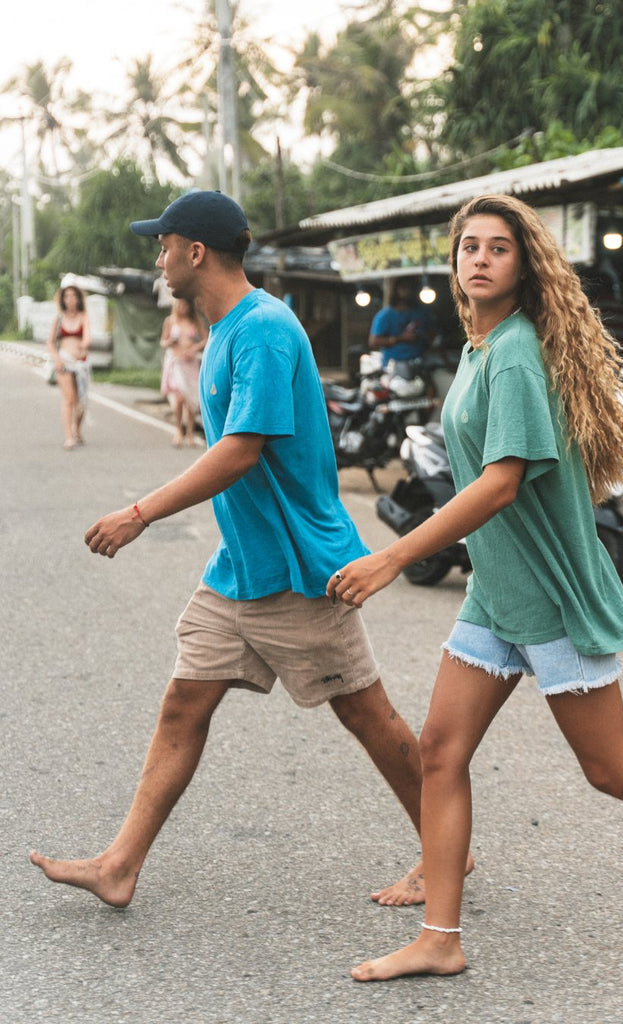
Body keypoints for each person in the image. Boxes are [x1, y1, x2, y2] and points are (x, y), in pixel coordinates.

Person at [327, 194, 623, 981]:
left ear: (524, 264)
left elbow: (501, 483)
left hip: (548, 590)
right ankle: (441, 935)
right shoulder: (479, 346)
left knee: (610, 767)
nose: (478, 258)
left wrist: (394, 557)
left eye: (498, 248)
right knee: (440, 752)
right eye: (468, 246)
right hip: (496, 589)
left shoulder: (513, 351)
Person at [30, 190, 462, 911]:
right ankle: (119, 865)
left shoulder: (261, 329)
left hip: (297, 570)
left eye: (162, 244)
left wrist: (139, 513)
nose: (157, 257)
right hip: (242, 570)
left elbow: (239, 452)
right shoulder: (226, 328)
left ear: (195, 252)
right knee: (182, 704)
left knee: (366, 716)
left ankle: (448, 852)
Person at [46, 284, 92, 449]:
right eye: (67, 296)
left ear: (78, 298)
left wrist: (84, 345)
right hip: (64, 361)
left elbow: (87, 336)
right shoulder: (59, 318)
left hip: (80, 363)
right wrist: (57, 359)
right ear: (62, 299)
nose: (70, 299)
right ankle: (69, 436)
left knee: (81, 401)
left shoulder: (83, 316)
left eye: (73, 296)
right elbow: (50, 342)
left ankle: (77, 429)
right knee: (69, 399)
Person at [160, 296, 208, 447]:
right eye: (179, 305)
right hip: (176, 362)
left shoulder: (195, 321)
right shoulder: (170, 321)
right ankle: (179, 430)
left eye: (185, 305)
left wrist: (194, 349)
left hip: (190, 363)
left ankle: (190, 433)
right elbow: (163, 341)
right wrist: (169, 342)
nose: (182, 308)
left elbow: (207, 338)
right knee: (179, 397)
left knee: (192, 399)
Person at [368, 276, 434, 367]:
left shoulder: (422, 313)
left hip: (420, 363)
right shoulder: (385, 315)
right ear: (396, 290)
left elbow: (433, 336)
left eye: (411, 288)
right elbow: (374, 341)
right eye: (404, 288)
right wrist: (401, 338)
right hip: (394, 365)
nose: (408, 292)